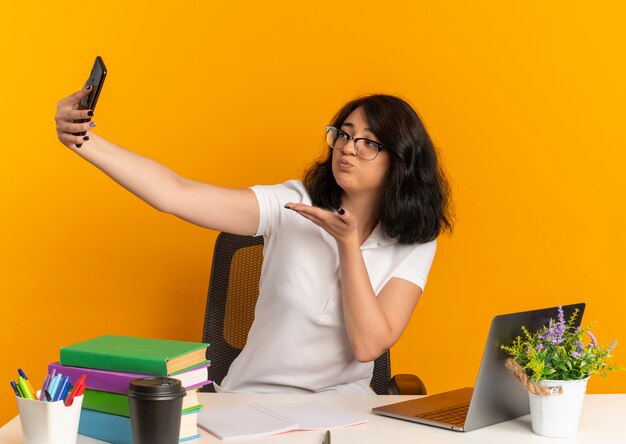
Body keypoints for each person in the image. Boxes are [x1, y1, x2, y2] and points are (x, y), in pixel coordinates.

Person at [55, 85, 454, 394]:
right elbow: (175, 193)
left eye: (369, 142)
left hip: (347, 405)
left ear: (400, 161)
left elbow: (368, 346)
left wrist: (348, 245)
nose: (348, 149)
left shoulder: (415, 241)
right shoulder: (292, 203)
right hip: (254, 399)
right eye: (344, 135)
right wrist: (83, 141)